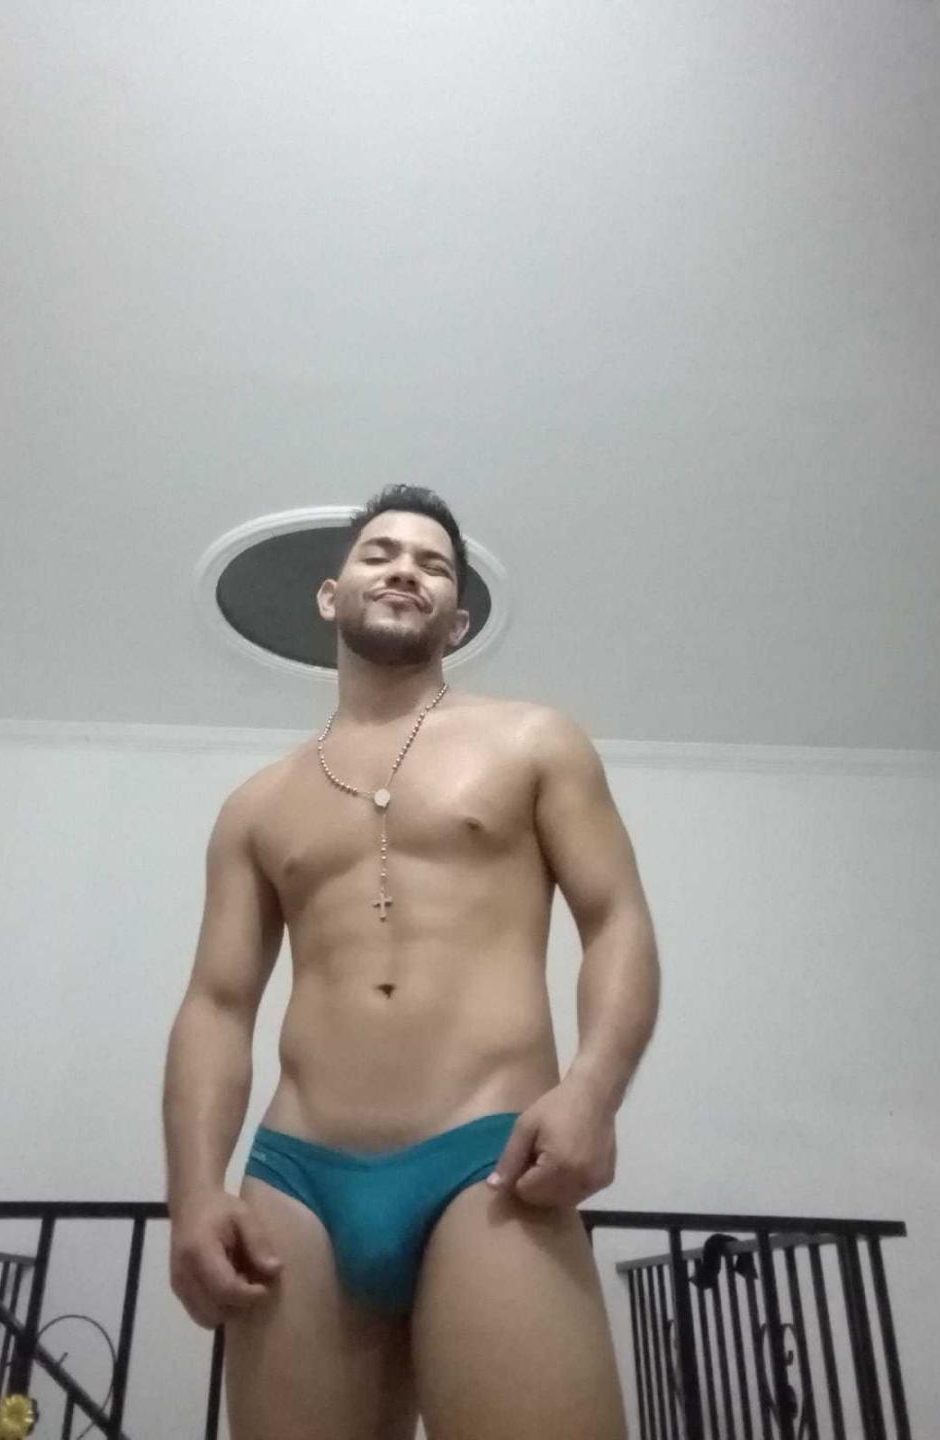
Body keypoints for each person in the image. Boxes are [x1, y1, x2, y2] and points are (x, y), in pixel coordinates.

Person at [163, 484, 661, 1440]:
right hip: (297, 1180)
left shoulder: (533, 742)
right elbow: (217, 1005)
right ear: (330, 595)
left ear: (457, 619)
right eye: (380, 553)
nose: (405, 570)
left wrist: (594, 1090)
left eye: (433, 565)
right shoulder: (256, 806)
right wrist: (191, 1193)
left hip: (486, 1158)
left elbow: (617, 921)